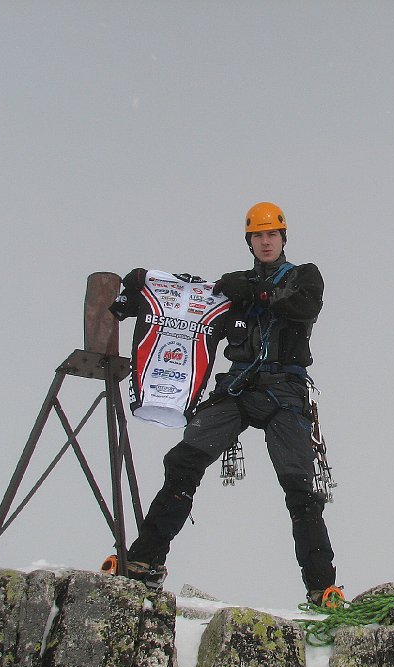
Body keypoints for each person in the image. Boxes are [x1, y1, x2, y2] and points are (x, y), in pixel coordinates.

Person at [123, 201, 341, 607]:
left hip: (286, 390)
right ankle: (145, 561)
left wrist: (255, 291)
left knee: (300, 489)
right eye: (258, 235)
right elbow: (188, 311)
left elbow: (303, 305)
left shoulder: (304, 276)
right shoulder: (231, 286)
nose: (265, 241)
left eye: (271, 234)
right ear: (249, 240)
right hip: (240, 386)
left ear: (283, 237)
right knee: (183, 462)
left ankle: (321, 586)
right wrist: (140, 295)